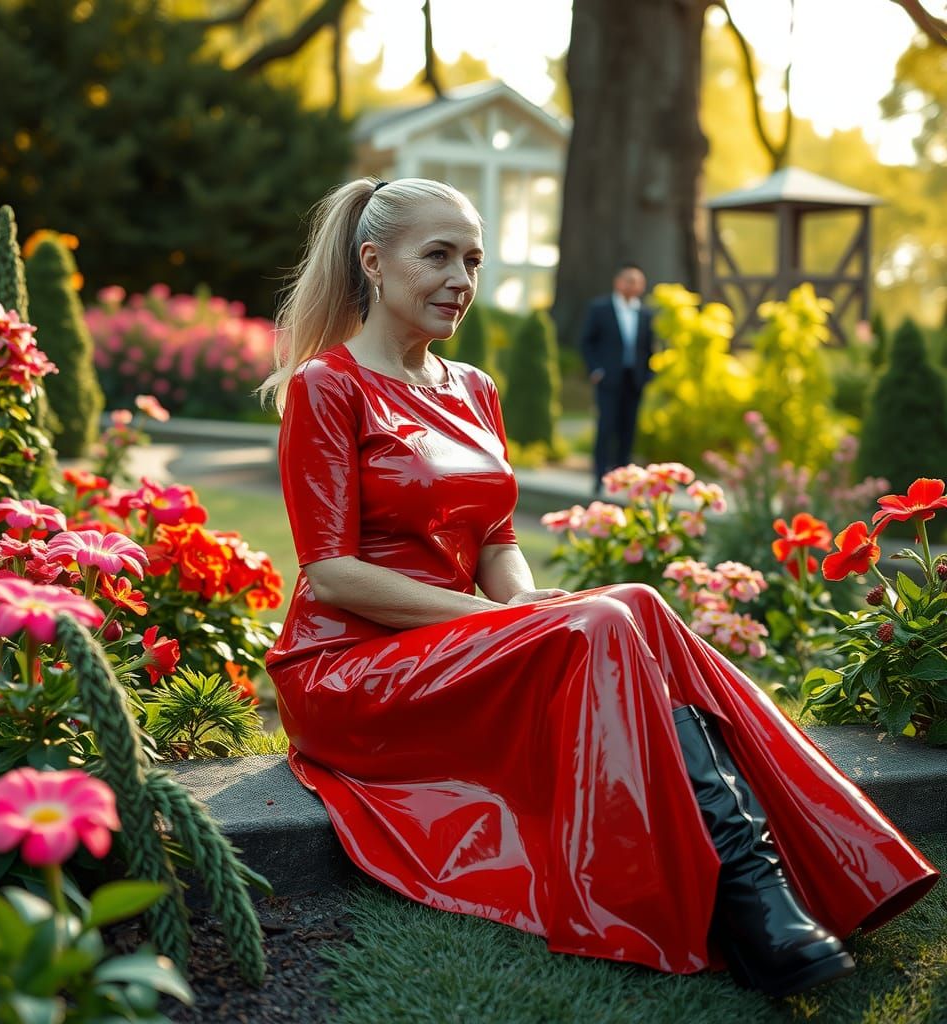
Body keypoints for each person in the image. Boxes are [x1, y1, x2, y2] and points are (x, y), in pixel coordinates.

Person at [260, 177, 938, 998]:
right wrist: (499, 624)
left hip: (456, 645)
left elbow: (499, 539)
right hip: (352, 668)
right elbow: (330, 574)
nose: (460, 280)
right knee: (603, 621)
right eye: (436, 256)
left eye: (472, 260)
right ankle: (759, 902)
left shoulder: (475, 388)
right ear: (372, 261)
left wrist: (518, 612)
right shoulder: (326, 387)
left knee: (636, 606)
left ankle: (757, 885)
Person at [578, 263, 655, 497]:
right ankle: (600, 478)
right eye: (630, 280)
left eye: (639, 282)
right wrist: (596, 370)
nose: (635, 286)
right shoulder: (600, 308)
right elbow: (586, 341)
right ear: (618, 282)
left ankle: (623, 479)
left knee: (628, 430)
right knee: (606, 428)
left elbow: (650, 348)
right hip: (608, 380)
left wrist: (649, 374)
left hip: (635, 380)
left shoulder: (646, 313)